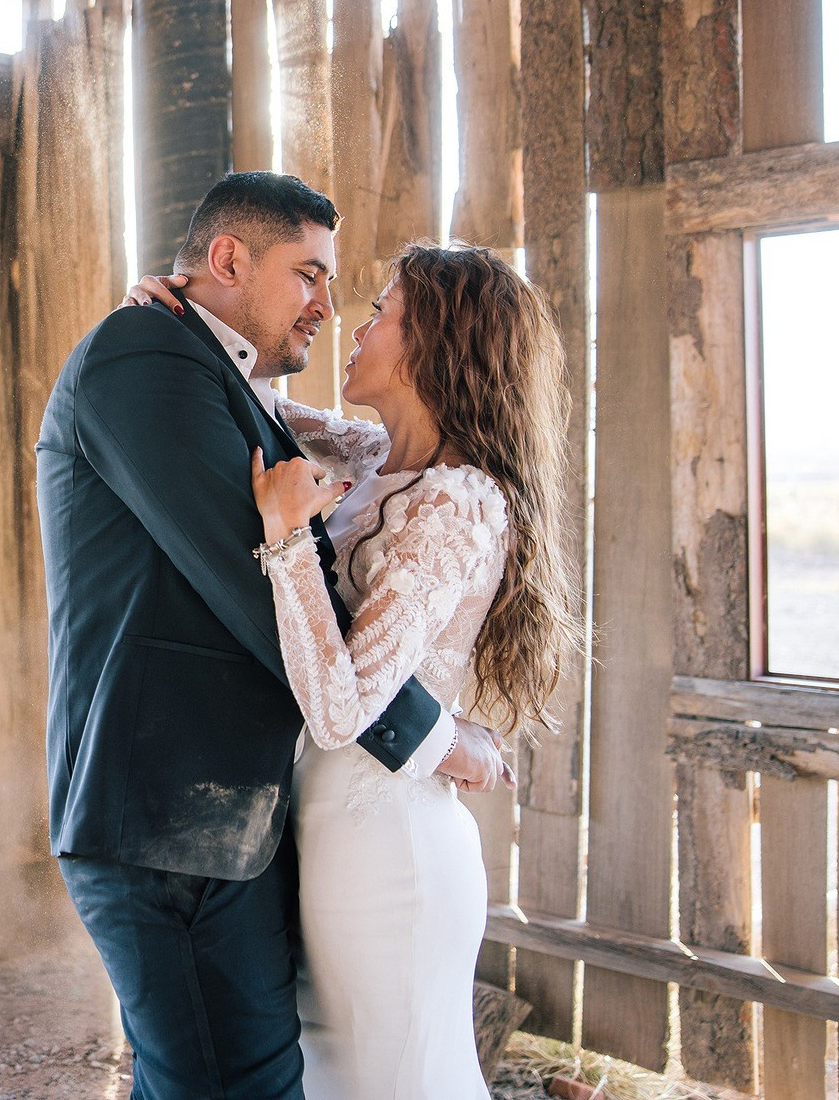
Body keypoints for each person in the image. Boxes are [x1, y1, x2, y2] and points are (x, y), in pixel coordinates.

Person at [36, 170, 511, 1100]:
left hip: (241, 823)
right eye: (311, 276)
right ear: (227, 261)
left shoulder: (216, 378)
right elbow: (259, 593)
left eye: (359, 299)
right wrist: (437, 738)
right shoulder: (148, 357)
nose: (331, 311)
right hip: (172, 822)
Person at [124, 241, 580, 1099]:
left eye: (381, 313)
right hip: (324, 827)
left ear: (431, 346)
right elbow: (249, 399)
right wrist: (172, 320)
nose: (354, 326)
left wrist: (288, 538)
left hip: (386, 852)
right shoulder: (375, 456)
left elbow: (343, 710)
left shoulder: (459, 499)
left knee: (392, 1081)